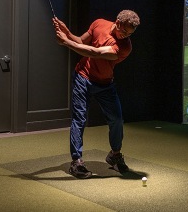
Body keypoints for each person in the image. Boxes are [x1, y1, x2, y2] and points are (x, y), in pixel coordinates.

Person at [53, 10, 140, 179]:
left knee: (116, 119)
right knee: (79, 119)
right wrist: (67, 33)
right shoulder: (99, 23)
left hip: (105, 84)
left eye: (129, 34)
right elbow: (80, 41)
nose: (125, 36)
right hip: (82, 77)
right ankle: (76, 161)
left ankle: (114, 155)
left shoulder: (125, 47)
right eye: (124, 31)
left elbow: (95, 52)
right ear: (117, 22)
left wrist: (65, 43)